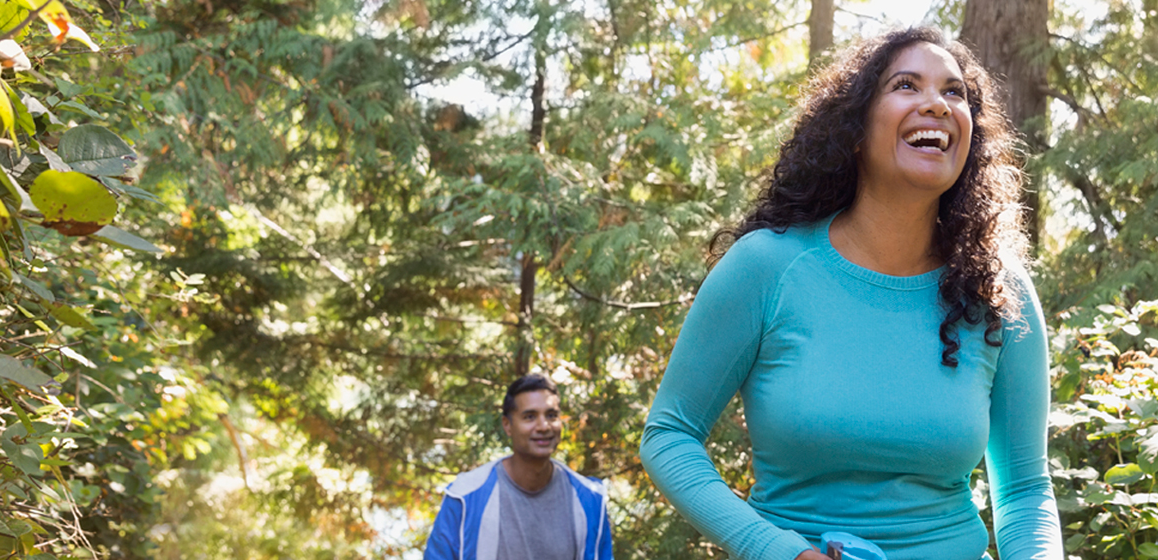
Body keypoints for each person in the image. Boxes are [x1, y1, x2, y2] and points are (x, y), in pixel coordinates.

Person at [638, 27, 1062, 560]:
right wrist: (775, 550)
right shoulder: (767, 267)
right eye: (906, 85)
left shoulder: (997, 288)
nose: (936, 104)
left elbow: (1024, 490)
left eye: (954, 93)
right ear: (855, 128)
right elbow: (669, 435)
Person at [426, 374, 617, 560]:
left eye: (551, 415)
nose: (543, 426)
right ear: (507, 425)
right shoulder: (465, 496)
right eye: (529, 417)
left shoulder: (590, 499)